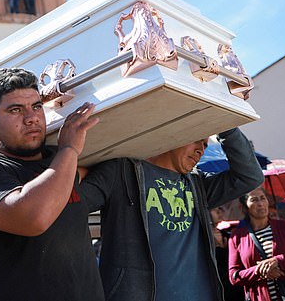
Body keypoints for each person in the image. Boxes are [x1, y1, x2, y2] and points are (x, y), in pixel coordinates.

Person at [0, 67, 105, 300]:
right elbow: (34, 219)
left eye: (36, 106)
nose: (32, 117)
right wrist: (70, 149)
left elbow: (81, 174)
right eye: (15, 110)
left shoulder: (59, 162)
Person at [81, 127, 264, 301]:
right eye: (196, 141)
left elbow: (250, 176)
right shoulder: (120, 172)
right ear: (174, 132)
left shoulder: (198, 185)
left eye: (205, 144)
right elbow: (70, 206)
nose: (201, 150)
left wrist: (226, 125)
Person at [229, 187, 285, 301]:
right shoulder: (237, 236)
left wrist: (279, 261)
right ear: (245, 207)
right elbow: (233, 276)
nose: (260, 203)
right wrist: (259, 270)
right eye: (254, 200)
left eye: (263, 198)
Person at [211, 206, 244, 301]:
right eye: (215, 210)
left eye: (220, 209)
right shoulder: (202, 240)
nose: (219, 213)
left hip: (235, 286)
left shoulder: (228, 236)